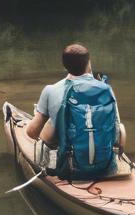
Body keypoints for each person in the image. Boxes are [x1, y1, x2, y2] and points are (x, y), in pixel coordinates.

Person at [26, 42, 124, 177]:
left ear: (65, 66)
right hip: (107, 168)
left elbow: (32, 133)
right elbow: (117, 129)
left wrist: (42, 120)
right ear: (89, 63)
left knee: (48, 131)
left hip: (70, 169)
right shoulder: (106, 90)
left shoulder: (51, 90)